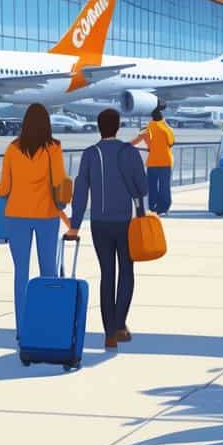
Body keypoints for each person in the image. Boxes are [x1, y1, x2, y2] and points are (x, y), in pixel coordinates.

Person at [68, 108, 148, 350]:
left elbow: (81, 192)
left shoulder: (91, 154)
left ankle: (109, 333)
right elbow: (142, 188)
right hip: (125, 221)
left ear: (99, 127)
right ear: (118, 127)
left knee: (107, 275)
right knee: (126, 271)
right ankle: (120, 324)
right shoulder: (129, 152)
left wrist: (74, 225)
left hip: (99, 223)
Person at [0, 103, 69, 338]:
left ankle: (22, 328)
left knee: (21, 272)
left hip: (16, 215)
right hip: (46, 215)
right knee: (48, 270)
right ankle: (49, 325)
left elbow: (4, 187)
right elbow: (59, 180)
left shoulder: (12, 149)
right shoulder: (54, 148)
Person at [133, 108, 176, 216]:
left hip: (152, 162)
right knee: (164, 186)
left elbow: (135, 142)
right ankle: (163, 208)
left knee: (151, 186)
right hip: (165, 162)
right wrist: (165, 124)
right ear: (162, 118)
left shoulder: (147, 129)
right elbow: (171, 142)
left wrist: (123, 146)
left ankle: (153, 206)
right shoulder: (165, 128)